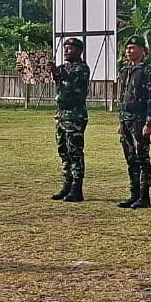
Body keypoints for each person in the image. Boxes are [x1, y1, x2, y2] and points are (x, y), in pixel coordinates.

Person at [117, 36, 151, 209]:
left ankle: (144, 196)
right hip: (126, 119)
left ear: (142, 50)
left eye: (132, 48)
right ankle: (134, 194)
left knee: (142, 158)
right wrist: (120, 121)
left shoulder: (147, 70)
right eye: (127, 48)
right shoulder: (125, 70)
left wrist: (149, 122)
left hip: (140, 119)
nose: (129, 51)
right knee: (130, 157)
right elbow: (122, 97)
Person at [49, 38, 91, 202]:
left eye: (70, 48)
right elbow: (58, 81)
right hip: (61, 114)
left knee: (75, 152)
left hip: (75, 115)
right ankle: (67, 185)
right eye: (65, 48)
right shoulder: (63, 68)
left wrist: (57, 72)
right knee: (64, 152)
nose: (66, 51)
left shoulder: (82, 68)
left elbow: (73, 80)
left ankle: (76, 188)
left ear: (79, 51)